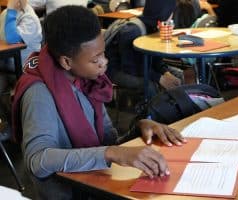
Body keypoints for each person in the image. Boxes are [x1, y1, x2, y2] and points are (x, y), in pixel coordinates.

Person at [11, 5, 186, 199]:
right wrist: (111, 153)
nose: (104, 62)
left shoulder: (87, 79)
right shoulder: (38, 94)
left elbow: (107, 143)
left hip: (97, 181)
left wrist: (139, 128)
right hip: (68, 193)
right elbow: (38, 160)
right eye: (96, 59)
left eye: (103, 53)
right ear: (67, 62)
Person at [105, 0, 181, 98]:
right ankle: (155, 112)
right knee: (149, 85)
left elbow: (155, 60)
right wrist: (159, 78)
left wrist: (166, 73)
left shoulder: (154, 27)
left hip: (141, 67)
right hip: (117, 71)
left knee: (177, 74)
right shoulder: (132, 30)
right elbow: (130, 68)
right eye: (171, 12)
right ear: (164, 12)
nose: (172, 16)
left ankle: (179, 107)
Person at [0, 0, 42, 67]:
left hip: (24, 68)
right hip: (6, 63)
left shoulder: (30, 18)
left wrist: (11, 10)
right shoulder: (6, 13)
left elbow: (12, 39)